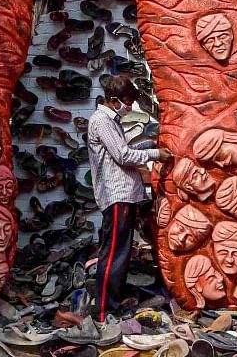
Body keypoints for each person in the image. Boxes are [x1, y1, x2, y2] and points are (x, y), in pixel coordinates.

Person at [86, 95, 170, 319]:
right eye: (127, 100)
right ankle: (103, 310)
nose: (130, 106)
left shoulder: (110, 121)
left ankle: (112, 302)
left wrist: (148, 145)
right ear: (114, 99)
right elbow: (123, 155)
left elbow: (122, 150)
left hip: (124, 196)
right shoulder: (102, 121)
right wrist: (155, 153)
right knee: (113, 253)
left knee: (120, 253)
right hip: (117, 196)